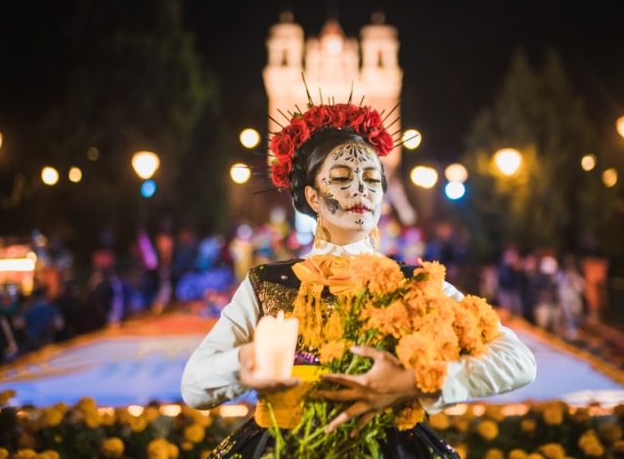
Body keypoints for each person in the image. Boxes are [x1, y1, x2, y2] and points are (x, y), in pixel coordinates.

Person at [181, 101, 536, 458]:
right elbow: (195, 386)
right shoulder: (269, 283)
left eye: (371, 179)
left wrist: (416, 381)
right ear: (313, 197)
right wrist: (247, 362)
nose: (360, 191)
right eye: (340, 178)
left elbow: (518, 360)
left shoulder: (413, 285)